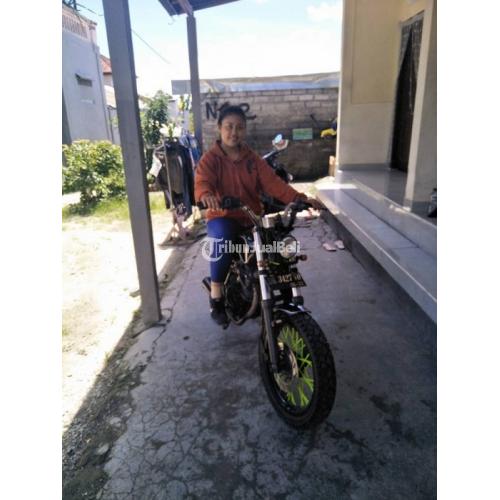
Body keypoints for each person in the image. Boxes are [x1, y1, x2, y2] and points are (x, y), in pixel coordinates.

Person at [194, 105, 322, 325]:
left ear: (245, 130)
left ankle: (284, 295)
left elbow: (273, 183)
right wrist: (206, 194)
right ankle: (216, 296)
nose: (234, 132)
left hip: (251, 217)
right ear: (219, 128)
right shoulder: (210, 159)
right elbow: (203, 181)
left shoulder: (252, 159)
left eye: (239, 127)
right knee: (222, 239)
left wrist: (299, 198)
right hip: (222, 216)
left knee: (278, 246)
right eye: (229, 126)